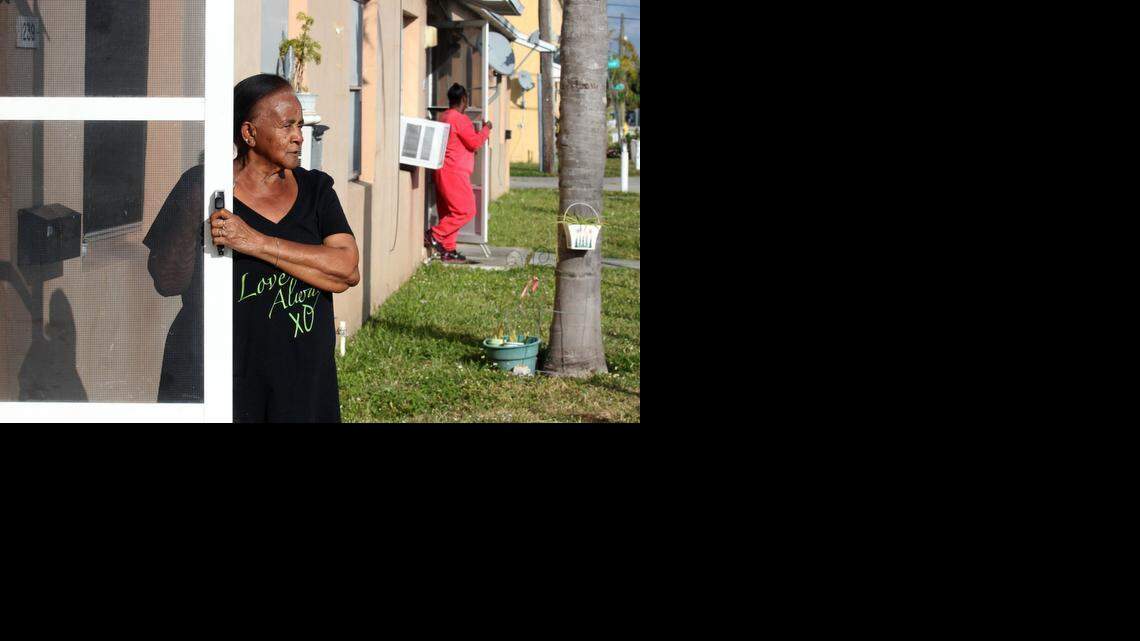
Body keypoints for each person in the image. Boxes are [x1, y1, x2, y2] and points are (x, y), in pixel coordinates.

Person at [207, 73, 360, 422]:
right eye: (287, 125)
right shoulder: (209, 191)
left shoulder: (316, 190)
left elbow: (347, 269)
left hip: (303, 381)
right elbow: (166, 281)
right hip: (232, 380)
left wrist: (256, 243)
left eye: (300, 125)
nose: (298, 136)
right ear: (249, 133)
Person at [424, 83, 492, 264]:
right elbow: (475, 142)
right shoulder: (459, 119)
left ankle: (448, 249)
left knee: (449, 213)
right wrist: (486, 129)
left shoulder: (444, 116)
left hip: (442, 169)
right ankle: (434, 234)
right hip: (454, 171)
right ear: (464, 99)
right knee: (466, 211)